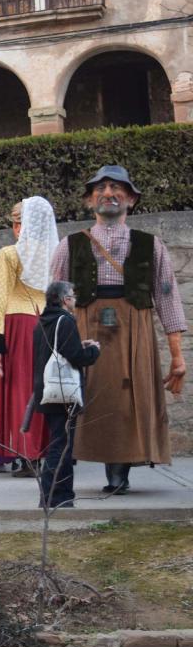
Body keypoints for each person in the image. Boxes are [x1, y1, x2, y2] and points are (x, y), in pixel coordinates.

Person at [50, 165, 187, 494]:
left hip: (134, 329)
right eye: (100, 188)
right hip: (85, 327)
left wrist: (178, 357)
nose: (108, 193)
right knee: (86, 397)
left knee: (128, 397)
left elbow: (168, 300)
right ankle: (68, 467)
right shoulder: (68, 246)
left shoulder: (151, 246)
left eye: (116, 188)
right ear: (88, 200)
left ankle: (119, 471)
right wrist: (52, 345)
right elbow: (53, 301)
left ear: (131, 199)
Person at [0, 197, 58, 476]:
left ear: (22, 225)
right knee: (43, 389)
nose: (14, 227)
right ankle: (45, 452)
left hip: (18, 325)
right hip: (47, 324)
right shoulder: (53, 254)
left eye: (16, 222)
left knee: (20, 390)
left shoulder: (9, 254)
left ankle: (26, 454)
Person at [33, 280, 100, 509]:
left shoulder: (42, 322)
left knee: (59, 443)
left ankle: (61, 495)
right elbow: (76, 357)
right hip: (63, 393)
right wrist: (93, 350)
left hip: (47, 390)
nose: (74, 298)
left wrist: (78, 346)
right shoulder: (66, 320)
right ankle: (53, 496)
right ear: (64, 299)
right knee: (61, 446)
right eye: (72, 295)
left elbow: (56, 351)